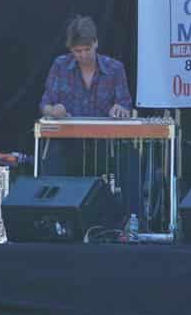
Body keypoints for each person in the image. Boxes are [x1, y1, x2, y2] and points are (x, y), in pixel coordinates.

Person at [37, 15, 140, 219]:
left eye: (86, 50)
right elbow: (44, 105)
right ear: (71, 49)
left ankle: (133, 223)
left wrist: (120, 110)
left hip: (104, 146)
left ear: (95, 43)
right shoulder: (60, 66)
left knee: (129, 159)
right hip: (68, 145)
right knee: (51, 158)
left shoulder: (114, 69)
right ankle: (52, 220)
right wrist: (53, 110)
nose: (83, 55)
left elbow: (126, 106)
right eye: (77, 51)